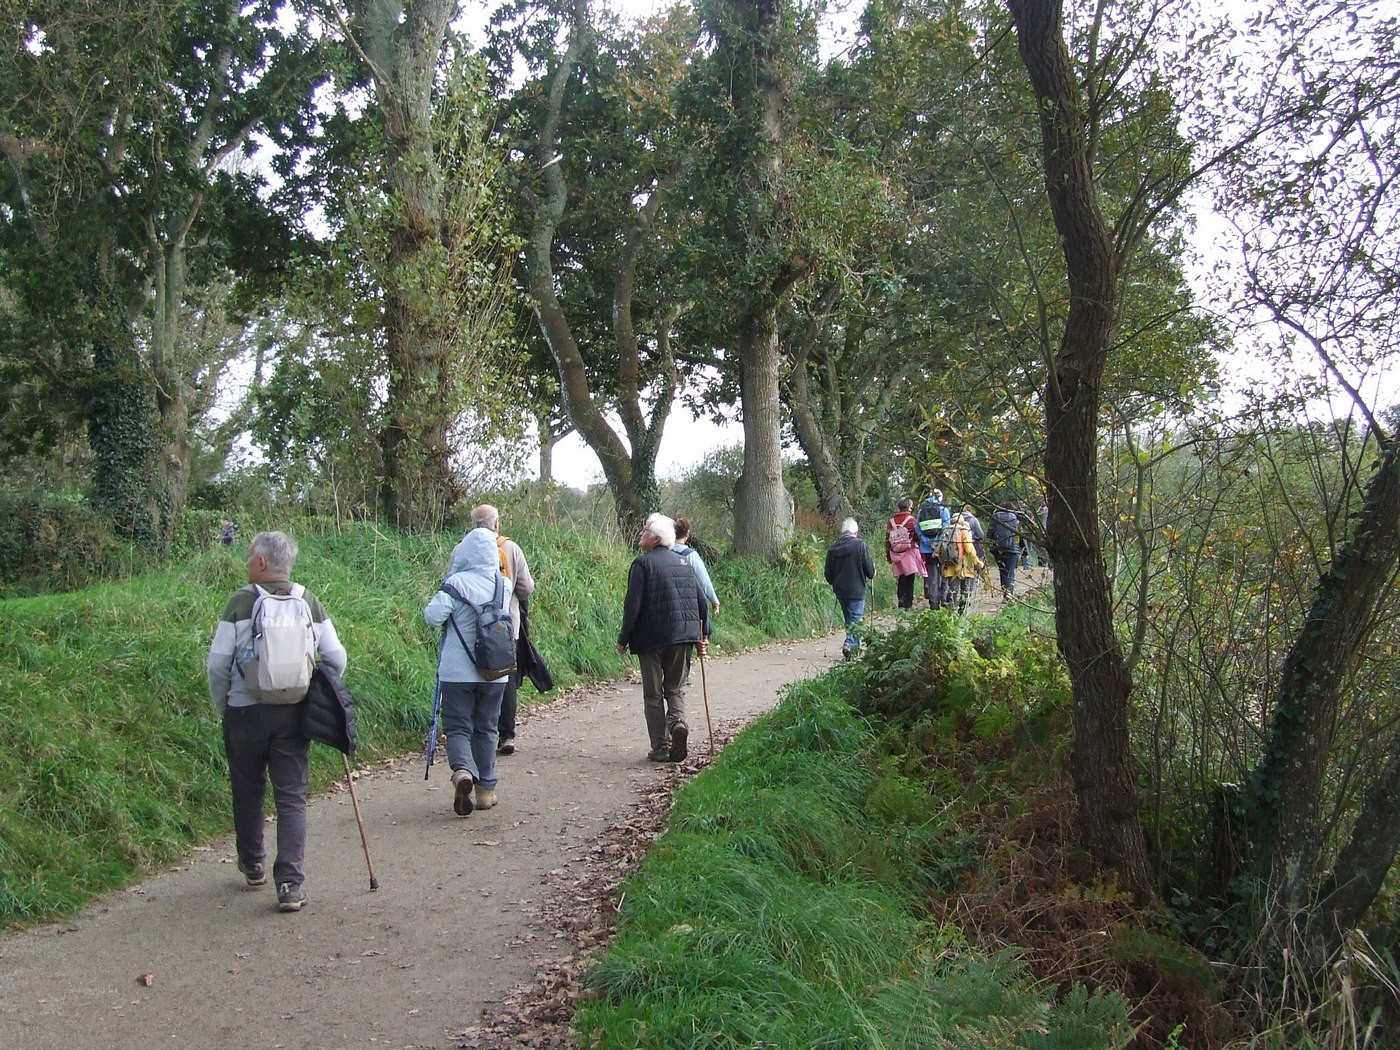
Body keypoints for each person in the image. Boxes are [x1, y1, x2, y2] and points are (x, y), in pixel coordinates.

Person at [206, 530, 347, 913]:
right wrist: (318, 692)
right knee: (291, 796)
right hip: (294, 713)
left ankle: (253, 864)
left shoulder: (240, 602)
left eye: (250, 557)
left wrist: (225, 705)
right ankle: (289, 883)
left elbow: (218, 663)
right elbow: (336, 657)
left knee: (248, 789)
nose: (246, 563)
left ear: (262, 563)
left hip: (245, 711)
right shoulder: (309, 601)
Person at [425, 527, 510, 816]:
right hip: (496, 670)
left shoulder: (455, 583)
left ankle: (462, 771)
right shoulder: (504, 584)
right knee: (487, 727)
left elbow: (432, 617)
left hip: (457, 671)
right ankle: (486, 791)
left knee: (459, 726)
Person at [617, 513, 710, 762]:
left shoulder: (642, 564)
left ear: (656, 539)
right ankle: (678, 723)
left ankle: (660, 747)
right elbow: (702, 603)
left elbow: (632, 606)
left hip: (651, 639)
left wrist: (623, 638)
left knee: (653, 694)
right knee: (675, 688)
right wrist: (704, 634)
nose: (640, 534)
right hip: (683, 637)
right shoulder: (684, 563)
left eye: (645, 532)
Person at [469, 504, 536, 757]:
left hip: (473, 627)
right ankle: (506, 734)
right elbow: (526, 588)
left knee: (475, 675)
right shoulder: (510, 548)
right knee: (505, 677)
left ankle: (478, 730)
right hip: (507, 626)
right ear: (496, 524)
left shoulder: (463, 549)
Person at [824, 518, 875, 657]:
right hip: (856, 589)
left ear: (843, 532)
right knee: (856, 618)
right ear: (855, 532)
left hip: (840, 590)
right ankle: (850, 644)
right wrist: (872, 573)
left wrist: (834, 581)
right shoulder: (860, 545)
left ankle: (854, 650)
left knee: (849, 618)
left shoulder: (833, 548)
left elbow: (828, 573)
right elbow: (870, 570)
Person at [673, 517, 720, 617]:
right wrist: (714, 601)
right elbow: (704, 581)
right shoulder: (691, 555)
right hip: (686, 603)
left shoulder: (663, 551)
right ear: (687, 533)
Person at [941, 512, 985, 614]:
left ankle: (950, 613)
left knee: (952, 590)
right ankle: (962, 612)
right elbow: (969, 550)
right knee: (965, 590)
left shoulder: (945, 531)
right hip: (964, 566)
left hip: (950, 566)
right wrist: (978, 562)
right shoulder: (963, 531)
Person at [885, 498, 925, 611]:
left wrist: (888, 555)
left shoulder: (891, 522)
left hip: (896, 552)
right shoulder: (912, 520)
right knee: (910, 577)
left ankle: (900, 600)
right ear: (909, 508)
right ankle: (908, 603)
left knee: (901, 577)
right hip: (909, 552)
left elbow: (887, 539)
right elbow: (917, 536)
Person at [915, 488, 951, 610]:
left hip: (926, 549)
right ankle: (944, 598)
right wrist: (938, 543)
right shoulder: (944, 510)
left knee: (931, 575)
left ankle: (933, 603)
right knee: (944, 572)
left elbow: (917, 529)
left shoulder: (921, 511)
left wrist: (927, 542)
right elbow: (946, 529)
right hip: (941, 549)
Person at [989, 500, 1023, 600]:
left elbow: (989, 533)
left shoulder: (995, 518)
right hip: (1012, 549)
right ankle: (1009, 595)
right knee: (1010, 572)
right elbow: (1019, 535)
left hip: (998, 549)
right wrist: (1023, 550)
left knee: (1002, 571)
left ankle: (1005, 593)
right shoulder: (1015, 519)